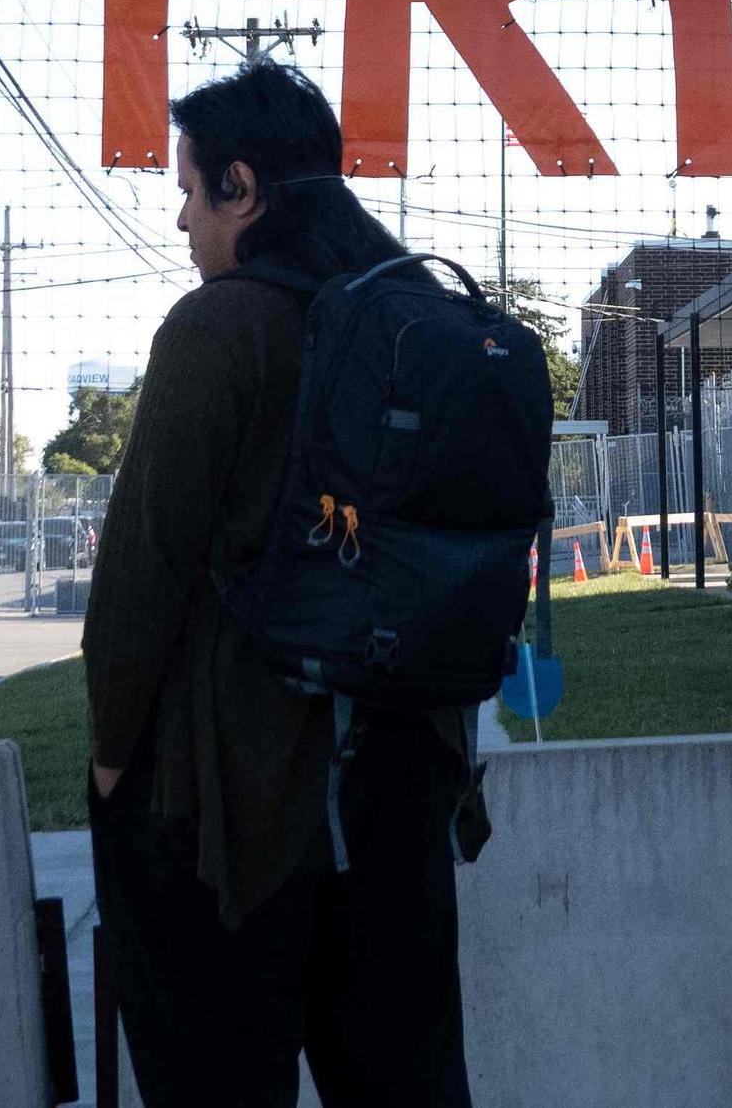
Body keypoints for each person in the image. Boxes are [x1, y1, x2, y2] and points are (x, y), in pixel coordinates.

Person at [81, 60, 474, 1108]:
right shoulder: (422, 318)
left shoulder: (217, 328)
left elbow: (139, 579)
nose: (181, 220)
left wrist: (112, 768)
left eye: (189, 190)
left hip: (239, 810)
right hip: (404, 787)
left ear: (242, 189)